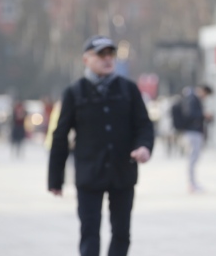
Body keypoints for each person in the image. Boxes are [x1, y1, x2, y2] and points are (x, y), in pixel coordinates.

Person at [48, 35, 154, 256]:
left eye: (110, 55)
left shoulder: (128, 89)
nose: (107, 59)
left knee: (122, 232)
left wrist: (144, 147)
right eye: (101, 55)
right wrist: (55, 179)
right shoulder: (74, 92)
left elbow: (144, 125)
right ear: (86, 59)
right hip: (89, 173)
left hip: (122, 172)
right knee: (89, 232)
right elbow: (60, 136)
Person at [173, 84, 213, 193]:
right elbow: (190, 114)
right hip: (192, 132)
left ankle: (193, 183)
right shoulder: (192, 99)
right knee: (192, 158)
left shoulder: (191, 98)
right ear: (203, 91)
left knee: (193, 158)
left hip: (193, 131)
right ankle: (191, 183)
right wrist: (203, 115)